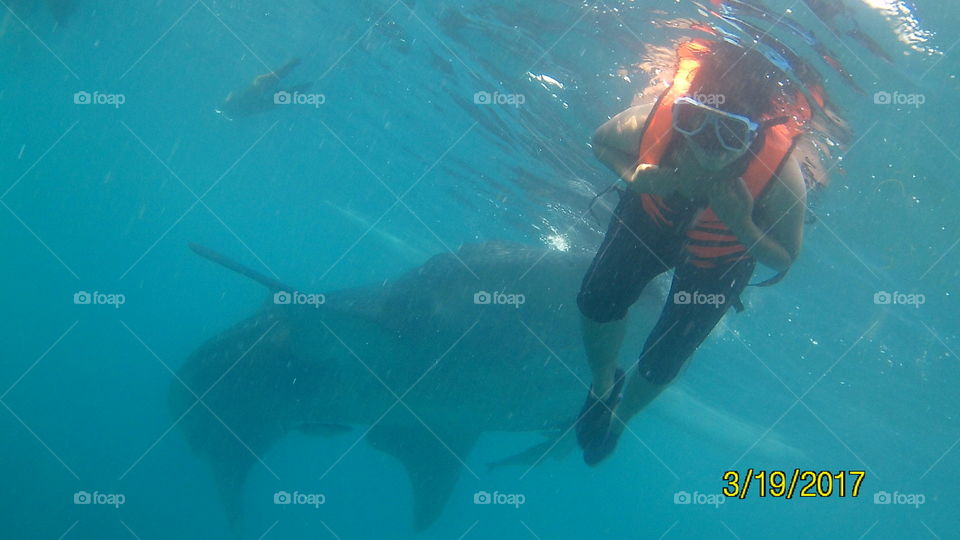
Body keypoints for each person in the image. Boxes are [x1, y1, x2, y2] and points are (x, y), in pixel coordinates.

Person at [575, 39, 821, 465]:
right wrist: (636, 175)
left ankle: (622, 419)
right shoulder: (658, 121)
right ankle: (601, 386)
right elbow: (600, 142)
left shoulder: (780, 174)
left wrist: (743, 224)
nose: (709, 144)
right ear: (681, 111)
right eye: (695, 121)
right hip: (652, 217)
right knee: (598, 300)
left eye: (730, 133)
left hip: (723, 255)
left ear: (754, 135)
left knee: (663, 359)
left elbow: (784, 258)